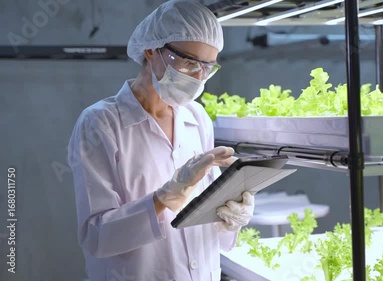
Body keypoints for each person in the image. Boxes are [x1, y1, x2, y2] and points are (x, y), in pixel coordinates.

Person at [67, 0, 255, 280]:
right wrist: (164, 197)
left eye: (207, 67)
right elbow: (96, 235)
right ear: (151, 50)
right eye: (190, 62)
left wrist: (229, 214)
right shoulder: (101, 123)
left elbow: (204, 219)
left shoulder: (197, 117)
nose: (199, 77)